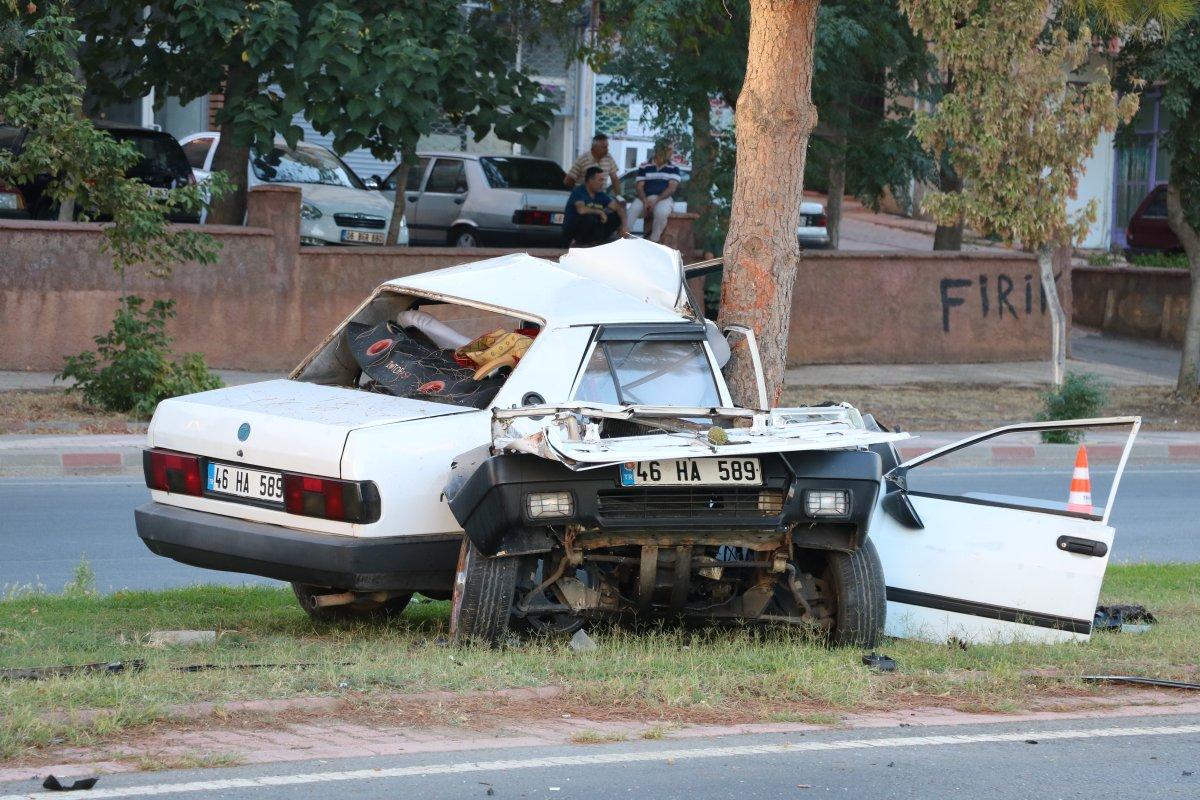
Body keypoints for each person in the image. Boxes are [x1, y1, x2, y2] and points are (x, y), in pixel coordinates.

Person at [627, 141, 681, 243]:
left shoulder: (674, 168)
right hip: (644, 198)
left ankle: (654, 241)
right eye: (669, 150)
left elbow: (671, 188)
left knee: (662, 212)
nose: (671, 152)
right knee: (632, 210)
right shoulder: (644, 166)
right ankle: (624, 240)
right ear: (659, 150)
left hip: (663, 199)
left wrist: (656, 200)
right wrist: (645, 201)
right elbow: (639, 187)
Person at [563, 166, 627, 246]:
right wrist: (599, 212)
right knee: (588, 217)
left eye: (603, 180)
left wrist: (624, 226)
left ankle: (599, 242)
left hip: (593, 230)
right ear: (590, 180)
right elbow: (581, 210)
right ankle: (578, 242)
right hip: (573, 230)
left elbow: (619, 208)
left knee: (615, 216)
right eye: (600, 180)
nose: (602, 183)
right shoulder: (579, 191)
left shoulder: (600, 195)